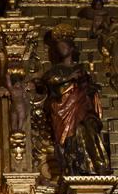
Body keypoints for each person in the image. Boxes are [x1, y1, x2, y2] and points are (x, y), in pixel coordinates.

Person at [40, 25, 110, 176]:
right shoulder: (55, 70)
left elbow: (89, 88)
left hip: (82, 108)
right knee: (72, 138)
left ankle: (95, 166)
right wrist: (70, 78)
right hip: (63, 110)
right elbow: (50, 80)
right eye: (59, 47)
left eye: (64, 46)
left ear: (71, 49)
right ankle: (74, 167)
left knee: (88, 130)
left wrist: (89, 87)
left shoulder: (81, 68)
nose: (61, 49)